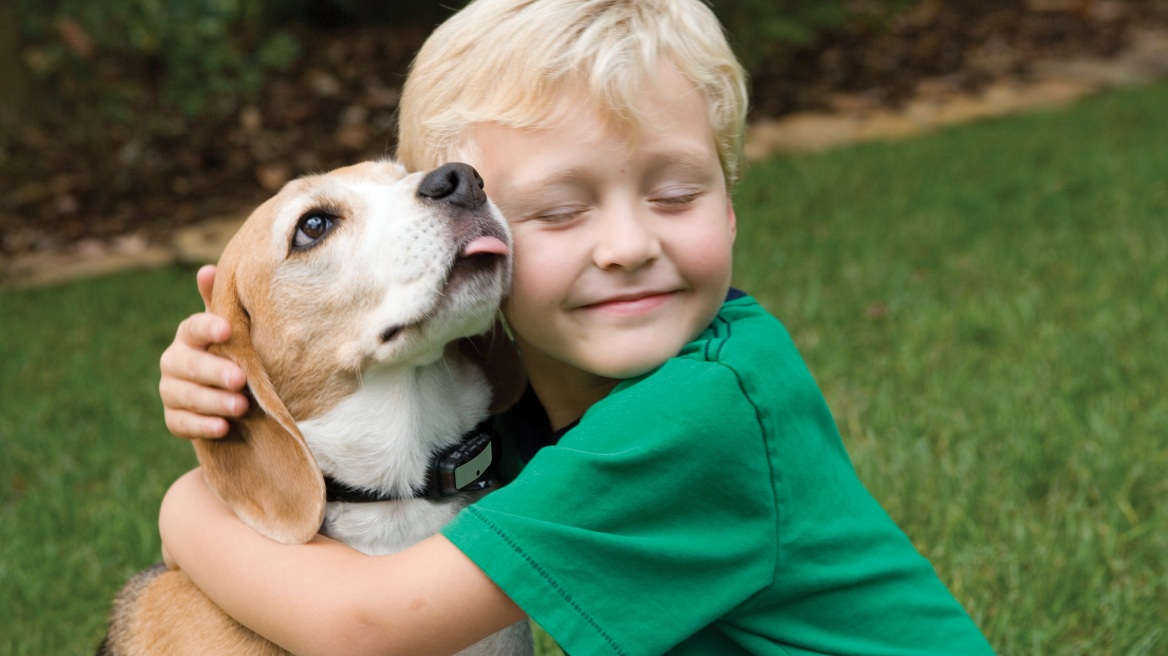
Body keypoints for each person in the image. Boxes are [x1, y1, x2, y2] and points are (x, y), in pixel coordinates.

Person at [157, 0, 996, 654]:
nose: (630, 247)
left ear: (732, 208)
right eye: (558, 211)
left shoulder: (701, 414)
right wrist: (231, 401)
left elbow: (367, 628)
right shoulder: (529, 402)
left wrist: (185, 508)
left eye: (676, 194)